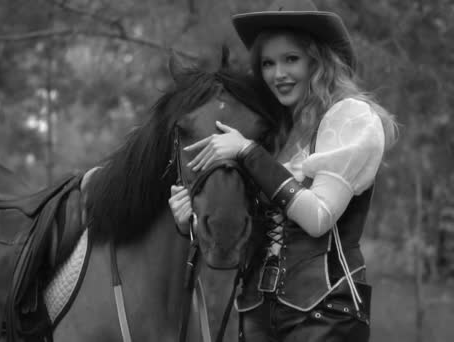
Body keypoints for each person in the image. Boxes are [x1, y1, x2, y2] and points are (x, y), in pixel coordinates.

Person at [168, 0, 398, 341]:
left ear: (317, 61)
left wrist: (247, 151)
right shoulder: (274, 133)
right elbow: (248, 233)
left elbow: (319, 216)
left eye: (292, 59)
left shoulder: (349, 118)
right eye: (268, 63)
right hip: (257, 311)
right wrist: (190, 221)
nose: (279, 74)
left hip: (325, 310)